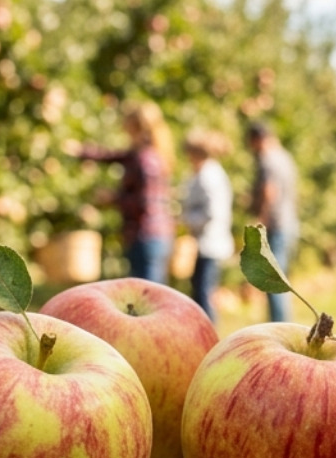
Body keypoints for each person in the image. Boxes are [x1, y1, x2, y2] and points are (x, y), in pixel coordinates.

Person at [75, 101, 176, 284]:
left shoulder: (145, 159)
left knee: (147, 294)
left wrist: (112, 198)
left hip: (146, 234)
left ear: (133, 126)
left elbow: (145, 201)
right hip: (156, 234)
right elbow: (115, 156)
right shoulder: (148, 154)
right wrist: (83, 152)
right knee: (152, 293)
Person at [245, 121, 300, 322]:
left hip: (276, 226)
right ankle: (282, 325)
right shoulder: (285, 157)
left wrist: (260, 223)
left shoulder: (268, 160)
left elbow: (270, 192)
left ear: (257, 139)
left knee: (272, 282)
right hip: (289, 223)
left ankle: (280, 327)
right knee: (281, 280)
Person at [180, 129, 235, 323]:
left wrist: (185, 219)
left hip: (210, 242)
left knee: (204, 291)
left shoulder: (209, 176)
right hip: (203, 242)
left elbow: (211, 212)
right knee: (198, 288)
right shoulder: (203, 173)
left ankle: (209, 330)